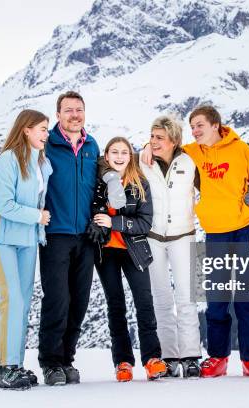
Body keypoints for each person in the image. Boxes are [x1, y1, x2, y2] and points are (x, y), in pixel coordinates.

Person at [141, 105, 249, 378]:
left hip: (245, 231)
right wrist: (146, 145)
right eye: (192, 127)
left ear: (216, 125)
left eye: (200, 125)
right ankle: (217, 357)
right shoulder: (192, 152)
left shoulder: (241, 150)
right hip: (215, 233)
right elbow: (167, 143)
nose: (196, 130)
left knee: (248, 296)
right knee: (217, 298)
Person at [0, 109, 52, 390]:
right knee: (11, 299)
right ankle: (6, 367)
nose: (46, 134)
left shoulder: (41, 162)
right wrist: (37, 216)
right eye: (42, 129)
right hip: (3, 238)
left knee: (23, 302)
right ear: (26, 130)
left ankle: (17, 364)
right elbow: (4, 205)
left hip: (28, 240)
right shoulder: (8, 160)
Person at [89, 137, 167, 382]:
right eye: (115, 152)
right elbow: (90, 209)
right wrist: (96, 219)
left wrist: (115, 223)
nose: (120, 156)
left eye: (124, 152)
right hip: (106, 252)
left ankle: (152, 359)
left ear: (130, 156)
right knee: (116, 306)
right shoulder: (98, 182)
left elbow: (145, 222)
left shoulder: (139, 183)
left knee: (144, 302)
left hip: (134, 250)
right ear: (107, 155)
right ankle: (123, 362)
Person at [37, 91, 100, 386]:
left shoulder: (92, 145)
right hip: (56, 234)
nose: (75, 115)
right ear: (58, 114)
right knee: (58, 300)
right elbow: (19, 163)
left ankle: (66, 359)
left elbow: (106, 180)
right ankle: (50, 363)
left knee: (80, 302)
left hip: (86, 236)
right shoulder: (46, 144)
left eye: (79, 110)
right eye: (68, 110)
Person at [139, 116, 202, 378]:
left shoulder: (190, 162)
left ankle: (190, 357)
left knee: (186, 297)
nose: (154, 142)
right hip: (153, 236)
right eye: (152, 136)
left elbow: (214, 188)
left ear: (174, 140)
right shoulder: (142, 162)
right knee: (161, 298)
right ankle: (169, 357)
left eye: (159, 138)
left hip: (183, 235)